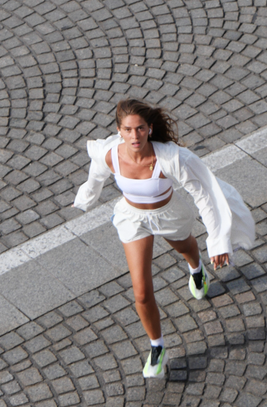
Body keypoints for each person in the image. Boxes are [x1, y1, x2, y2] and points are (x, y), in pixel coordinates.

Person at [73, 98, 255, 378]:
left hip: (168, 214)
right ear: (119, 130)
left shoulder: (170, 157)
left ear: (150, 128)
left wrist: (218, 242)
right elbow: (95, 178)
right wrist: (85, 199)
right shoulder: (109, 155)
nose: (135, 136)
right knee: (141, 292)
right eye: (128, 129)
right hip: (133, 220)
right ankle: (157, 347)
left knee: (186, 247)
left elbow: (205, 193)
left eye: (140, 129)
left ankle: (197, 270)